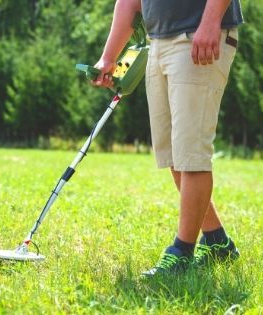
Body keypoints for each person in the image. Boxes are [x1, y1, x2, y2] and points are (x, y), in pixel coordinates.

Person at [92, 0, 243, 276]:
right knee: (174, 155)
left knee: (191, 155)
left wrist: (210, 22)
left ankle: (181, 252)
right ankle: (217, 242)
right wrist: (109, 56)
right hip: (158, 42)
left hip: (197, 37)